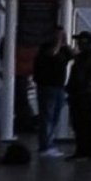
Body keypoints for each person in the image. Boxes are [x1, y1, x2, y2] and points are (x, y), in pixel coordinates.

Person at [32, 26, 72, 158]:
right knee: (47, 117)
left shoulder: (63, 50)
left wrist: (65, 43)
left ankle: (49, 142)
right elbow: (51, 54)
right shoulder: (45, 49)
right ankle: (45, 146)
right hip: (47, 86)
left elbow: (73, 55)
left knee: (54, 116)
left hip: (59, 86)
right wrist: (58, 42)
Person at [65, 31, 91, 161]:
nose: (77, 44)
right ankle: (90, 150)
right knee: (87, 123)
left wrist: (70, 89)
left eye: (79, 42)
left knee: (80, 124)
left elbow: (79, 77)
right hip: (89, 94)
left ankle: (82, 151)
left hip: (81, 95)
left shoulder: (84, 58)